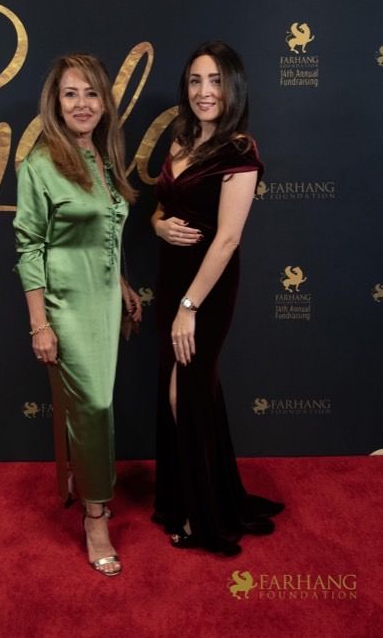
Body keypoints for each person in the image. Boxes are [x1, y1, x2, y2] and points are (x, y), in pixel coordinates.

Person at [151, 41, 284, 556]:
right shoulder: (182, 139)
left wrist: (189, 308)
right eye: (195, 81)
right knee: (191, 392)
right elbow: (160, 208)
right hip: (170, 279)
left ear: (234, 87)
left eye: (215, 81)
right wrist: (159, 226)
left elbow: (227, 239)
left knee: (184, 394)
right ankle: (201, 495)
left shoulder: (240, 151)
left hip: (205, 289)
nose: (204, 92)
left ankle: (201, 513)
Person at [13, 53, 141, 576]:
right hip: (65, 304)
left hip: (104, 300)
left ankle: (82, 480)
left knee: (96, 406)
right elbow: (29, 246)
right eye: (71, 94)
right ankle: (95, 516)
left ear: (104, 103)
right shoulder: (40, 164)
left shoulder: (103, 156)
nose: (82, 104)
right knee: (95, 405)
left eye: (91, 93)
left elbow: (105, 228)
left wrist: (121, 283)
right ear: (56, 102)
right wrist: (39, 324)